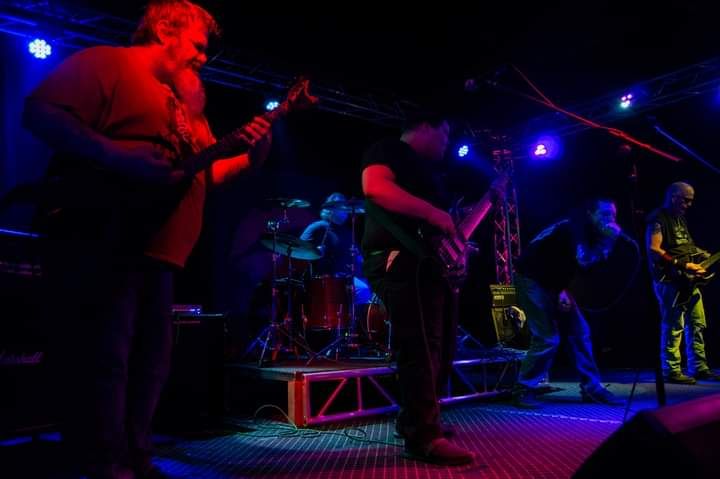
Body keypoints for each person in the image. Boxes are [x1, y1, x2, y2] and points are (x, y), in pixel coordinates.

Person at [22, 1, 271, 478]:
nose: (203, 57)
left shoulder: (185, 104)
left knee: (150, 360)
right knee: (107, 353)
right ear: (164, 29)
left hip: (161, 252)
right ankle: (102, 459)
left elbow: (207, 175)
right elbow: (40, 112)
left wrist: (254, 154)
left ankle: (134, 454)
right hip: (102, 236)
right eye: (198, 45)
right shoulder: (107, 63)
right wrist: (116, 155)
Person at [361, 112, 474, 465]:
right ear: (426, 125)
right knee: (420, 347)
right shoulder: (389, 149)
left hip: (426, 264)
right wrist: (432, 213)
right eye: (445, 132)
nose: (447, 141)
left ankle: (417, 420)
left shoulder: (429, 174)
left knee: (436, 346)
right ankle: (423, 437)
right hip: (399, 259)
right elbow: (374, 187)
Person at [511, 198, 626, 409]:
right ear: (591, 214)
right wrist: (608, 241)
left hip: (552, 281)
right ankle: (523, 388)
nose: (610, 220)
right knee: (548, 337)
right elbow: (582, 261)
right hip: (531, 279)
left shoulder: (587, 230)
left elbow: (568, 264)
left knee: (580, 332)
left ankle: (591, 388)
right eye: (604, 214)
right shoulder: (575, 228)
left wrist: (562, 289)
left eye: (613, 215)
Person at [646, 182, 720, 384]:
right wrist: (683, 265)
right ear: (674, 197)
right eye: (686, 200)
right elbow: (654, 249)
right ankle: (671, 370)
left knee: (697, 323)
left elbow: (684, 246)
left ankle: (699, 367)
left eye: (691, 201)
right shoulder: (658, 218)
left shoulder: (680, 219)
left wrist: (701, 254)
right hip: (670, 280)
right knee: (674, 325)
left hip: (688, 280)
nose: (689, 205)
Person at [300, 192, 371, 305]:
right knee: (363, 290)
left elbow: (357, 257)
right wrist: (316, 251)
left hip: (345, 276)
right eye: (340, 206)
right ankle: (346, 312)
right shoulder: (319, 226)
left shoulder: (347, 232)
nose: (344, 210)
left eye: (344, 207)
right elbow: (299, 247)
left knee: (370, 287)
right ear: (330, 209)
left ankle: (348, 313)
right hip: (326, 276)